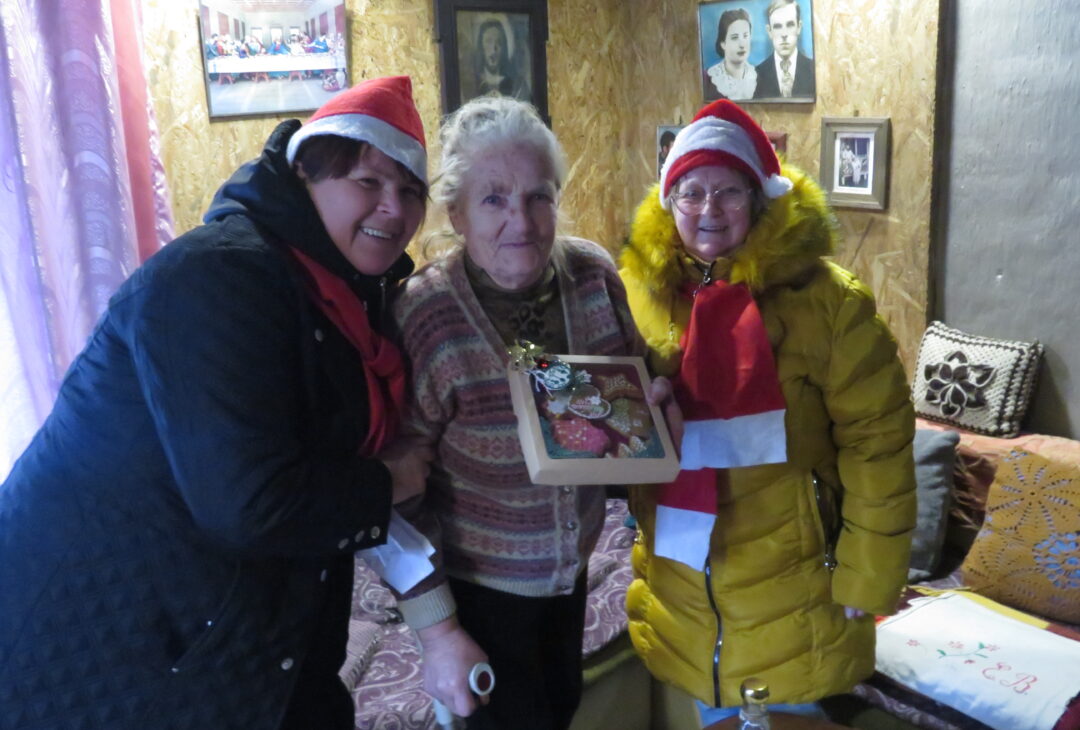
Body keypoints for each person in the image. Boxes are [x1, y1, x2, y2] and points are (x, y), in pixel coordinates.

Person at [0, 76, 432, 730]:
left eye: (411, 191)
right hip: (103, 633)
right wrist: (388, 481)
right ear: (305, 175)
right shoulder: (219, 275)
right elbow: (250, 503)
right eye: (368, 181)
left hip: (237, 623)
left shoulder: (345, 294)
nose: (393, 209)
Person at [619, 99, 915, 724]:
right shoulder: (637, 296)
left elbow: (878, 444)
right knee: (714, 708)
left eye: (728, 190)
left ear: (758, 199)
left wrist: (869, 572)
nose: (708, 208)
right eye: (690, 192)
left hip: (795, 580)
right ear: (668, 203)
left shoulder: (830, 303)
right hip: (684, 580)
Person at [390, 95, 645, 730]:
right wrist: (436, 630)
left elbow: (628, 401)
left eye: (538, 197)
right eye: (494, 199)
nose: (521, 222)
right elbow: (396, 494)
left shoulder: (592, 277)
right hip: (478, 594)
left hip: (574, 572)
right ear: (456, 213)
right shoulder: (426, 314)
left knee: (558, 711)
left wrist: (653, 408)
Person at [753, 0, 816, 100]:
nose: (784, 34)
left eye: (790, 25)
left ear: (799, 27)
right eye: (777, 26)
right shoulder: (756, 74)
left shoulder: (814, 69)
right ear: (769, 31)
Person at [704, 7, 757, 101]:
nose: (742, 44)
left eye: (745, 36)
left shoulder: (759, 76)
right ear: (723, 44)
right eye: (735, 38)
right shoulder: (707, 79)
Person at [472, 17, 527, 101]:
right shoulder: (472, 82)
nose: (494, 49)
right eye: (488, 41)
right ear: (481, 46)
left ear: (504, 48)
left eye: (499, 42)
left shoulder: (517, 84)